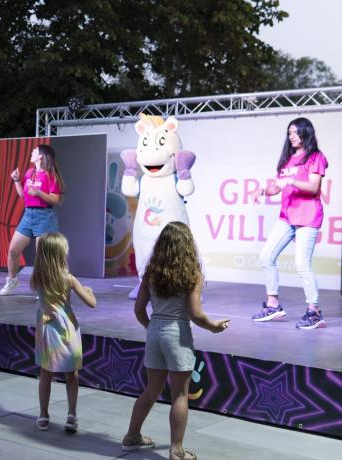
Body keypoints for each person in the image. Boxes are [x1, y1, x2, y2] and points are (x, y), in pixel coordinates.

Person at [121, 221, 229, 460]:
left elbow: (139, 309)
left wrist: (152, 328)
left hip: (155, 333)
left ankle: (131, 437)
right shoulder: (192, 274)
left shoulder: (151, 273)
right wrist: (213, 326)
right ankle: (176, 450)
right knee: (179, 395)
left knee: (151, 390)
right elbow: (195, 314)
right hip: (178, 335)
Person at [249, 118, 329, 330]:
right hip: (287, 217)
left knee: (302, 264)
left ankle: (314, 312)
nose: (292, 136)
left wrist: (291, 181)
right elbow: (278, 186)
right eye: (289, 133)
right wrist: (264, 190)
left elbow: (313, 188)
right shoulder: (288, 159)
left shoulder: (316, 157)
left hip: (308, 216)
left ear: (306, 132)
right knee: (266, 257)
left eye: (296, 132)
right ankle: (273, 305)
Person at [30, 232, 96, 433]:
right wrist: (89, 290)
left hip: (48, 329)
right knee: (71, 373)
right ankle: (71, 415)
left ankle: (43, 415)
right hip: (67, 329)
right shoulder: (68, 279)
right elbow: (92, 303)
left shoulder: (37, 277)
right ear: (61, 254)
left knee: (45, 373)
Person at [0, 144, 63, 296]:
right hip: (28, 215)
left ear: (41, 156)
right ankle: (12, 280)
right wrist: (16, 180)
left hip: (45, 216)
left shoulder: (51, 175)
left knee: (43, 256)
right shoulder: (29, 172)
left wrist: (39, 193)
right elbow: (23, 195)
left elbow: (55, 199)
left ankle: (44, 287)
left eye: (34, 151)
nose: (32, 153)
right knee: (13, 251)